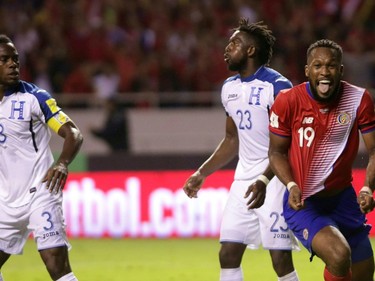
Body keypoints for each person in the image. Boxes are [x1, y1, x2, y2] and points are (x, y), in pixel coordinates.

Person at [183, 19, 300, 281]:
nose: (227, 48)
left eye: (234, 43)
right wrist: (202, 172)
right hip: (242, 181)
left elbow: (289, 144)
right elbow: (231, 139)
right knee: (228, 254)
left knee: (280, 259)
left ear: (250, 51)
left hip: (275, 179)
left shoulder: (278, 87)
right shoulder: (228, 88)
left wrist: (264, 179)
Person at [268, 38, 375, 281]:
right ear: (307, 71)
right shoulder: (288, 101)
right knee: (338, 254)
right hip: (305, 202)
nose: (324, 72)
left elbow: (374, 151)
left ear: (341, 70)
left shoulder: (359, 99)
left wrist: (368, 187)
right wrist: (291, 184)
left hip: (344, 199)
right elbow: (275, 152)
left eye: (331, 66)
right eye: (317, 66)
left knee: (364, 273)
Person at [0, 34, 83, 280]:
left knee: (55, 264)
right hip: (6, 200)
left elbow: (73, 133)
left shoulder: (35, 97)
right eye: (4, 60)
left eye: (15, 59)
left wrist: (62, 163)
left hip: (42, 191)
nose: (13, 64)